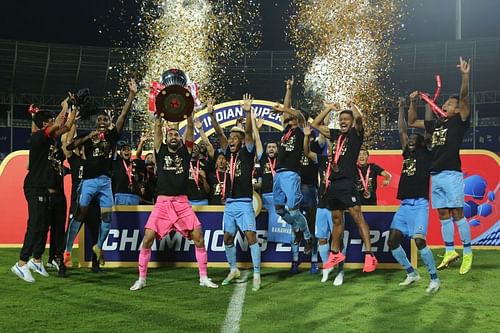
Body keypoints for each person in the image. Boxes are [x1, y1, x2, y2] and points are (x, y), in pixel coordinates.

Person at [129, 110, 218, 290]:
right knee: (147, 239)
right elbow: (157, 132)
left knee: (199, 238)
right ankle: (142, 279)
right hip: (162, 203)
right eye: (170, 134)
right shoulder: (159, 151)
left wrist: (190, 116)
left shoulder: (186, 152)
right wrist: (158, 118)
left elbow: (190, 129)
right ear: (166, 138)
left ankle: (203, 277)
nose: (173, 137)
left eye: (176, 134)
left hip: (182, 203)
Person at [408, 56, 473, 275]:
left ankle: (468, 253)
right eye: (445, 102)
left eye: (450, 103)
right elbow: (411, 122)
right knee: (443, 214)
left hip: (451, 173)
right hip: (436, 174)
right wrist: (413, 102)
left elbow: (463, 97)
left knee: (457, 213)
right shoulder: (436, 124)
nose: (445, 104)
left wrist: (465, 76)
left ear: (457, 109)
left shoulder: (459, 121)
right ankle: (449, 251)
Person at [65, 79, 137, 266]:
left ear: (108, 123)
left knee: (107, 217)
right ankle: (66, 252)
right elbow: (69, 146)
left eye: (106, 120)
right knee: (79, 215)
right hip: (88, 181)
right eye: (100, 120)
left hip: (105, 183)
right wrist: (88, 136)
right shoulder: (88, 137)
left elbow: (123, 116)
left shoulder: (112, 137)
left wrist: (131, 95)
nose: (103, 122)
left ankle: (98, 247)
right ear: (96, 123)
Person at [11, 100, 75, 283]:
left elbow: (67, 126)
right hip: (34, 186)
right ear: (45, 123)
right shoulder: (39, 136)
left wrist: (74, 108)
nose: (55, 121)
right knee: (36, 224)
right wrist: (64, 107)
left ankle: (36, 261)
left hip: (42, 188)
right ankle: (21, 263)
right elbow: (57, 125)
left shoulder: (49, 139)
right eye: (51, 120)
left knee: (41, 225)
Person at [311, 101, 378, 273]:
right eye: (340, 119)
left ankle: (370, 255)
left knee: (357, 217)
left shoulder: (356, 135)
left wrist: (354, 105)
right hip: (334, 184)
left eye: (346, 119)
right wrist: (328, 108)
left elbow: (360, 119)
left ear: (351, 121)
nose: (343, 121)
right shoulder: (335, 135)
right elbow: (315, 124)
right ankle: (334, 253)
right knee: (336, 220)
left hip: (348, 183)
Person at [388, 96, 440, 293]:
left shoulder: (426, 152)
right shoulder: (407, 152)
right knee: (392, 241)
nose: (410, 140)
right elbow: (402, 129)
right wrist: (401, 107)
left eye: (413, 139)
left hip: (419, 205)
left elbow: (428, 127)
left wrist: (427, 104)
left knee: (419, 241)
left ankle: (434, 279)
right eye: (409, 139)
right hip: (405, 206)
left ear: (422, 142)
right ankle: (411, 273)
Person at [219, 94, 263, 291]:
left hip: (245, 202)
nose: (231, 140)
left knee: (250, 236)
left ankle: (256, 273)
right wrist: (211, 116)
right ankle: (233, 269)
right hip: (229, 203)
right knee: (227, 238)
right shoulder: (228, 154)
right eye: (230, 138)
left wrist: (247, 112)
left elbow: (248, 134)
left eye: (235, 138)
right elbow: (220, 136)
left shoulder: (246, 152)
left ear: (241, 140)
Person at [271, 77, 313, 259]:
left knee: (294, 210)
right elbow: (286, 111)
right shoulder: (286, 130)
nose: (287, 117)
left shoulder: (302, 129)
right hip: (279, 174)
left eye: (291, 115)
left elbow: (298, 115)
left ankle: (307, 236)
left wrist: (284, 108)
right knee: (279, 209)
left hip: (291, 174)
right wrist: (288, 89)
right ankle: (296, 227)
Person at [303, 124, 347, 286]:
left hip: (336, 206)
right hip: (321, 205)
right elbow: (307, 152)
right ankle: (327, 267)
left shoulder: (344, 162)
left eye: (333, 148)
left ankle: (340, 272)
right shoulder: (322, 160)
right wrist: (307, 136)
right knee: (321, 239)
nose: (331, 151)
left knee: (338, 240)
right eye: (329, 149)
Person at [112, 141, 144, 205]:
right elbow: (113, 148)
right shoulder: (118, 162)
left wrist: (141, 143)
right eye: (124, 150)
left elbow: (138, 155)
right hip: (120, 194)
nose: (126, 151)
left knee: (133, 215)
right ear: (120, 153)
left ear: (131, 153)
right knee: (120, 215)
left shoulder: (135, 163)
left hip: (134, 195)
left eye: (128, 150)